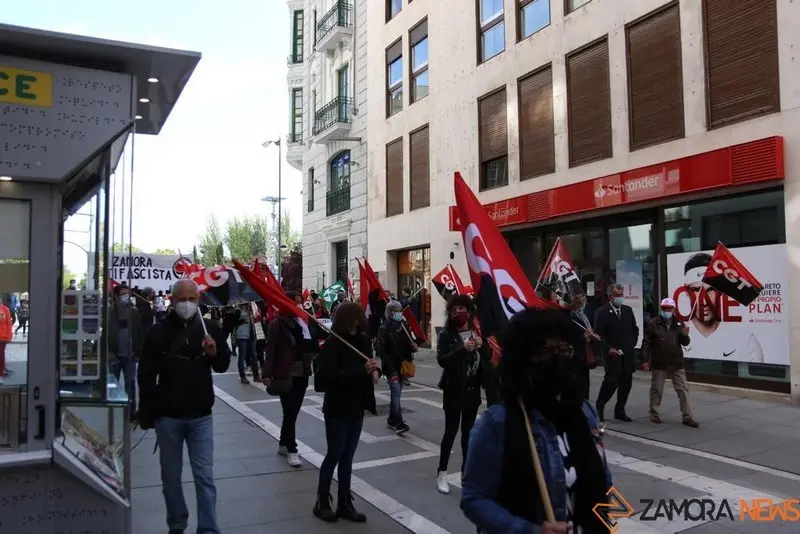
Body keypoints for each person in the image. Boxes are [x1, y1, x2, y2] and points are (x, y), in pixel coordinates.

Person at [460, 308, 612, 534]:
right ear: (524, 362)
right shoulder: (497, 424)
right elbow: (474, 499)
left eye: (565, 349)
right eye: (548, 352)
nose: (559, 358)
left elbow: (604, 480)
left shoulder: (584, 411)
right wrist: (530, 531)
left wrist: (607, 523)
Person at [137, 278, 231, 534]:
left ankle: (208, 529)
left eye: (192, 299)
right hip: (169, 418)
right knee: (171, 479)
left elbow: (223, 365)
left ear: (198, 301)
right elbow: (145, 374)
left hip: (201, 415)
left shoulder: (209, 328)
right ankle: (177, 524)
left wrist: (214, 353)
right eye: (182, 299)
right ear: (172, 300)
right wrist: (153, 408)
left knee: (205, 478)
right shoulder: (158, 332)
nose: (187, 304)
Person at [313, 302, 381, 524]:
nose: (360, 320)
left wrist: (374, 370)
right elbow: (325, 380)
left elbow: (369, 363)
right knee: (335, 454)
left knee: (348, 457)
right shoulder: (333, 344)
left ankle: (344, 503)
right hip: (337, 408)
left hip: (356, 406)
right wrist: (359, 371)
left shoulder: (362, 340)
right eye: (357, 316)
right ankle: (322, 501)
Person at [435, 295, 489, 495]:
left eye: (462, 308)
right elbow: (443, 360)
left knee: (468, 434)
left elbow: (485, 360)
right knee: (451, 432)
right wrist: (462, 350)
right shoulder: (446, 335)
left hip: (472, 390)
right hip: (454, 390)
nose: (459, 312)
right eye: (455, 309)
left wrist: (483, 348)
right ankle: (442, 472)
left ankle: (467, 472)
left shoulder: (476, 331)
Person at [262, 293, 315, 468]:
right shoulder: (277, 325)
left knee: (292, 412)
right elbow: (270, 351)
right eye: (296, 303)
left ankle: (283, 443)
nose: (299, 306)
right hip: (285, 374)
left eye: (301, 303)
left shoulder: (304, 323)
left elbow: (311, 346)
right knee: (290, 411)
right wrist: (267, 374)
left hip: (302, 373)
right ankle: (292, 449)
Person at [643, 298, 699, 428]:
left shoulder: (678, 323)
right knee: (657, 389)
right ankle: (654, 412)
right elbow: (646, 343)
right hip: (660, 361)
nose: (666, 311)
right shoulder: (653, 323)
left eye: (669, 308)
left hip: (676, 362)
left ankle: (687, 416)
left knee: (683, 390)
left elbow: (685, 343)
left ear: (673, 309)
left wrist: (685, 335)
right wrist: (645, 360)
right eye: (664, 308)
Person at [593, 283, 639, 423]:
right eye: (617, 295)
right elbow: (598, 336)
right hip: (612, 354)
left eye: (621, 295)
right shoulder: (601, 312)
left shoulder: (627, 310)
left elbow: (634, 329)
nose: (620, 298)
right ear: (610, 297)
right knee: (611, 382)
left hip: (627, 353)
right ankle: (599, 407)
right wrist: (608, 348)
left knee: (626, 384)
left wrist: (632, 343)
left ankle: (620, 410)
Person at [376, 300, 417, 434]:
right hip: (391, 366)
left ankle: (391, 419)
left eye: (400, 310)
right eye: (396, 311)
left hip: (403, 365)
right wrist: (391, 369)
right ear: (390, 312)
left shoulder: (404, 326)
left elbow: (409, 344)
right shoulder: (384, 328)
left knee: (397, 393)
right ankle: (398, 422)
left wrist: (413, 347)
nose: (399, 313)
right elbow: (382, 351)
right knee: (396, 393)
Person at [108, 285, 143, 420]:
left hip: (130, 355)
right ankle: (113, 410)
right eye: (123, 294)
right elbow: (106, 333)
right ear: (116, 296)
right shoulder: (110, 312)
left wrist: (138, 351)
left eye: (127, 294)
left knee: (130, 383)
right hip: (115, 355)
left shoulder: (133, 312)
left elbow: (139, 332)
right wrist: (109, 351)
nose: (125, 296)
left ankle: (131, 411)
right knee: (113, 384)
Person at [563, 294, 600, 401]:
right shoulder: (567, 316)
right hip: (573, 356)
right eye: (580, 300)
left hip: (583, 355)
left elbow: (587, 329)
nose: (583, 303)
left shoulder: (582, 316)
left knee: (584, 385)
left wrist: (592, 336)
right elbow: (567, 335)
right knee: (576, 385)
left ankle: (585, 406)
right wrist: (582, 336)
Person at [234, 305, 256, 384]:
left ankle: (256, 375)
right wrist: (242, 320)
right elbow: (234, 322)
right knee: (242, 356)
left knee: (254, 356)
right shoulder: (238, 310)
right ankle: (242, 376)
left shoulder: (252, 309)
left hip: (251, 336)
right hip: (241, 336)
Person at [0, 299, 12, 385]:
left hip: (2, 337)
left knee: (1, 356)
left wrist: (9, 336)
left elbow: (9, 323)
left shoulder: (5, 309)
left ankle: (0, 374)